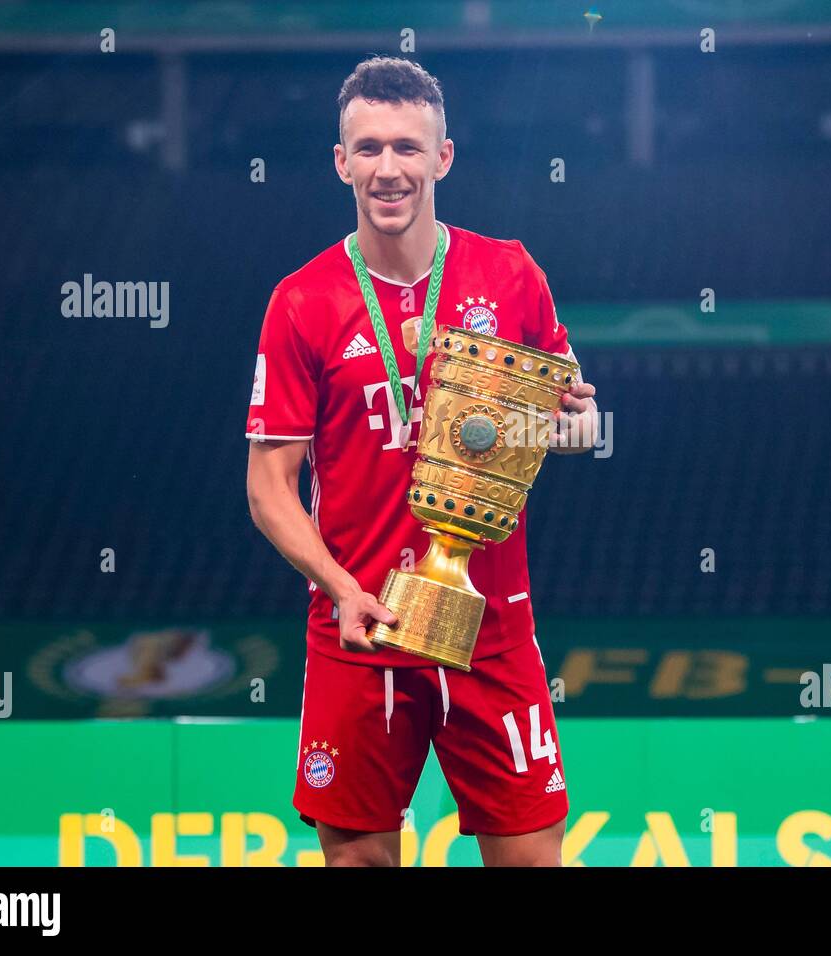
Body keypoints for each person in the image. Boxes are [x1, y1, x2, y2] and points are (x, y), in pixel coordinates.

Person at [244, 56, 599, 867]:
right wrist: (342, 592)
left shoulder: (510, 274)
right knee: (359, 862)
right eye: (368, 149)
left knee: (534, 858)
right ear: (341, 162)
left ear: (443, 157)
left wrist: (576, 422)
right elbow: (270, 489)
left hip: (494, 629)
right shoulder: (302, 301)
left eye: (408, 147)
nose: (388, 168)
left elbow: (575, 423)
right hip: (361, 632)